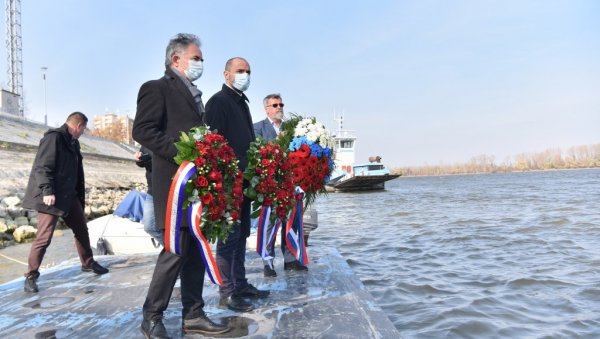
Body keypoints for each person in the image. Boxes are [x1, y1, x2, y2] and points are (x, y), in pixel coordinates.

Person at [132, 33, 228, 338]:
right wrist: (181, 154)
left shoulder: (195, 95)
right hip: (173, 184)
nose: (200, 63)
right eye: (196, 58)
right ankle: (152, 316)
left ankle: (194, 314)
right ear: (177, 59)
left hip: (196, 187)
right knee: (174, 252)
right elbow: (143, 130)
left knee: (196, 249)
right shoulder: (156, 88)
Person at [204, 57, 269, 313]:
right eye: (240, 71)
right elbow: (212, 143)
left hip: (244, 181)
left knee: (242, 235)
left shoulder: (241, 102)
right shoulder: (218, 102)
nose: (245, 75)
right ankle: (227, 291)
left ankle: (240, 284)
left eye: (248, 71)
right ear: (226, 74)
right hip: (229, 182)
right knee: (229, 237)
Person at [22, 112, 109, 293]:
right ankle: (31, 275)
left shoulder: (73, 142)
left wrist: (77, 195)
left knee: (81, 229)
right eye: (83, 129)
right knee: (44, 237)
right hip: (51, 196)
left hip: (69, 196)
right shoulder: (54, 138)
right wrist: (47, 190)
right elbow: (42, 166)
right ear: (78, 126)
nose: (83, 132)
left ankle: (88, 263)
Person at [254, 94, 308, 277]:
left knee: (291, 222)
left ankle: (291, 260)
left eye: (281, 104)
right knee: (270, 223)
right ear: (266, 108)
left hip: (292, 183)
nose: (279, 107)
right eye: (275, 105)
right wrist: (279, 141)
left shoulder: (293, 129)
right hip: (271, 184)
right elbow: (258, 153)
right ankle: (268, 262)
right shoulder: (258, 128)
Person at [134, 146, 162, 246]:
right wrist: (139, 159)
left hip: (169, 191)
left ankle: (175, 254)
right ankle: (175, 252)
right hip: (152, 192)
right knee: (149, 227)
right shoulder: (146, 139)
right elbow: (142, 160)